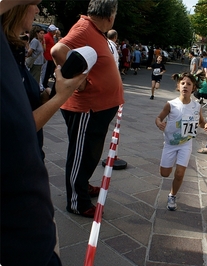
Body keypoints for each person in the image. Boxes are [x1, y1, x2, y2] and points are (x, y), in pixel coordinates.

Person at [0, 0, 87, 264]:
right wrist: (61, 97)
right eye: (32, 5)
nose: (37, 9)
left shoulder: (13, 51)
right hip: (18, 220)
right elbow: (22, 127)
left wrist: (48, 93)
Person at [51, 0, 124, 218]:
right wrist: (78, 81)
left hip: (97, 108)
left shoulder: (95, 30)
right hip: (85, 108)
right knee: (81, 154)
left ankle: (82, 185)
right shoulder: (84, 27)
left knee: (90, 153)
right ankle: (77, 201)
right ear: (110, 16)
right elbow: (57, 50)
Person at [155, 72, 207, 210]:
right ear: (178, 86)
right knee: (165, 173)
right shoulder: (171, 105)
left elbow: (201, 122)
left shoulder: (196, 106)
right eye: (182, 83)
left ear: (193, 88)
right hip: (170, 144)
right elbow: (158, 118)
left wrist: (205, 125)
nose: (185, 86)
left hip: (186, 144)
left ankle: (172, 195)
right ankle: (169, 165)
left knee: (180, 173)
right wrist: (159, 123)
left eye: (188, 84)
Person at [42, 23, 58, 88]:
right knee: (45, 72)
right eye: (54, 31)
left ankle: (45, 83)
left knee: (48, 72)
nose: (55, 32)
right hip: (47, 57)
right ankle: (44, 83)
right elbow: (43, 45)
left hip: (50, 57)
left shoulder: (51, 37)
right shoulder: (47, 37)